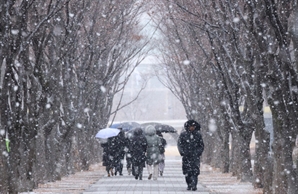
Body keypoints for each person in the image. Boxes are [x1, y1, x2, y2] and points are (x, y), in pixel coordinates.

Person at [177, 120, 204, 191]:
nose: (192, 128)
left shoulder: (198, 135)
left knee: (195, 171)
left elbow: (201, 145)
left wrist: (198, 152)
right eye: (190, 126)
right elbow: (180, 144)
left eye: (193, 126)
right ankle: (189, 184)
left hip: (195, 156)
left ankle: (194, 185)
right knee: (187, 171)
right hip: (186, 156)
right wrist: (182, 152)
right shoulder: (183, 135)